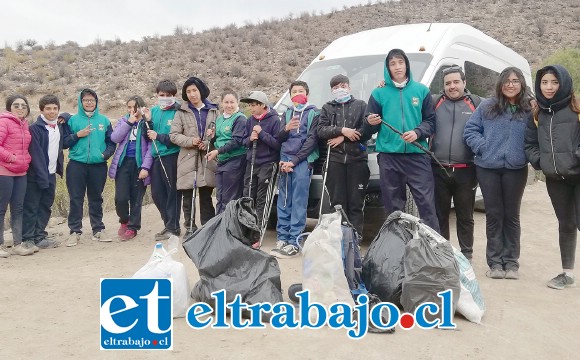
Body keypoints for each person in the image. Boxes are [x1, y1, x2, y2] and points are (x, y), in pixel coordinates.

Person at [464, 67, 531, 280]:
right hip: (488, 168)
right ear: (500, 84)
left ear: (522, 84)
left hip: (516, 168)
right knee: (494, 214)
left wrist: (525, 155)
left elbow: (536, 135)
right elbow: (470, 130)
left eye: (515, 80)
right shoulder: (487, 106)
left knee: (511, 215)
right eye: (507, 81)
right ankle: (494, 263)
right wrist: (483, 147)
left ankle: (511, 263)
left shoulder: (529, 109)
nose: (511, 84)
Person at [363, 49, 438, 232]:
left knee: (427, 206)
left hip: (418, 156)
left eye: (400, 62)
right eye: (393, 63)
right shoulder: (378, 93)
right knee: (393, 209)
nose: (397, 67)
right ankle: (396, 249)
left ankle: (435, 250)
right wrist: (370, 122)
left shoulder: (421, 91)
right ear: (387, 67)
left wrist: (418, 132)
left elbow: (431, 122)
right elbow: (368, 126)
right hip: (389, 158)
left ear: (407, 65)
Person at [525, 65, 580, 289]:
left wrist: (576, 156)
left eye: (554, 82)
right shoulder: (538, 112)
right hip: (555, 179)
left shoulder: (576, 107)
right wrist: (541, 161)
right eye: (544, 82)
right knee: (566, 224)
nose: (549, 87)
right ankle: (567, 274)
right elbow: (529, 143)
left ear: (564, 83)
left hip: (578, 174)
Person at [430, 66, 482, 261]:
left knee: (465, 216)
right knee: (440, 214)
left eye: (456, 82)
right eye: (448, 83)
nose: (452, 86)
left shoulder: (476, 103)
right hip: (438, 169)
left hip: (466, 170)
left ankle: (466, 255)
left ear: (464, 83)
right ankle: (444, 254)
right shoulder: (435, 101)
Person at [317, 74, 371, 237]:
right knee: (337, 203)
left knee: (356, 203)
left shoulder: (361, 105)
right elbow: (321, 130)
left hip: (357, 160)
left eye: (342, 86)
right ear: (331, 90)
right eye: (335, 87)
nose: (339, 89)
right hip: (335, 161)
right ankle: (339, 239)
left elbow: (366, 130)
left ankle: (354, 239)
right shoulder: (327, 108)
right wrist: (341, 130)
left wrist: (343, 136)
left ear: (349, 87)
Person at [272, 81, 319, 259]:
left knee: (299, 200)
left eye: (300, 91)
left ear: (307, 93)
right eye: (294, 92)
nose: (297, 94)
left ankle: (294, 241)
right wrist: (286, 128)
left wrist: (295, 161)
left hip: (302, 161)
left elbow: (311, 141)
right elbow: (279, 137)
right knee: (284, 199)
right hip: (285, 160)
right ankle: (282, 237)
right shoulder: (287, 113)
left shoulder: (314, 113)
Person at [63, 89, 115, 247]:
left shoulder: (104, 121)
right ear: (80, 102)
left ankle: (98, 230)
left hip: (98, 165)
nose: (89, 103)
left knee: (96, 198)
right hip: (76, 165)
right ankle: (74, 231)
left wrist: (104, 155)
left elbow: (111, 142)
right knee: (76, 199)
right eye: (85, 100)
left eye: (92, 100)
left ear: (96, 102)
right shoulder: (72, 121)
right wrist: (77, 135)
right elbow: (64, 143)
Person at [170, 76, 217, 238]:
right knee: (188, 196)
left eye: (194, 90)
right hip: (187, 158)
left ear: (201, 91)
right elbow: (174, 135)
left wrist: (206, 142)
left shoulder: (213, 110)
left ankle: (208, 227)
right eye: (188, 91)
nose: (192, 94)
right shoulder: (181, 112)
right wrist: (191, 141)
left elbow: (217, 132)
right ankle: (190, 227)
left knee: (206, 195)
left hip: (207, 158)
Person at [22, 95, 64, 250]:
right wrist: (42, 178)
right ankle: (27, 238)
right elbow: (37, 155)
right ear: (41, 110)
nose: (52, 112)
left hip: (51, 174)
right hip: (36, 175)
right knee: (32, 206)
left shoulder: (58, 126)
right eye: (48, 109)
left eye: (55, 108)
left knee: (45, 206)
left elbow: (63, 142)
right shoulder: (35, 129)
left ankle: (39, 235)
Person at [239, 90, 281, 244]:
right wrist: (250, 138)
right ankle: (246, 231)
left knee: (262, 199)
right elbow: (244, 142)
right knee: (248, 196)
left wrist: (262, 133)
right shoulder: (250, 120)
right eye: (249, 105)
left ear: (263, 105)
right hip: (252, 163)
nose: (251, 108)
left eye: (254, 105)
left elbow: (277, 144)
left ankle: (258, 235)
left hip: (267, 164)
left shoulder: (275, 120)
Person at [108, 96, 152, 241]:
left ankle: (133, 227)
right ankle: (124, 220)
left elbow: (151, 146)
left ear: (141, 107)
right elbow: (115, 138)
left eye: (135, 107)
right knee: (121, 197)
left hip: (139, 164)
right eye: (129, 107)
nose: (132, 110)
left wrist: (146, 167)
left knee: (136, 198)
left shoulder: (147, 123)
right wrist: (129, 122)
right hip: (123, 162)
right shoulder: (124, 120)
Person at [146, 80, 182, 240]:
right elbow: (146, 134)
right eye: (162, 95)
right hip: (156, 156)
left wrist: (159, 136)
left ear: (174, 96)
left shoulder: (178, 112)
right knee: (157, 194)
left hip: (172, 155)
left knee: (172, 192)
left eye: (169, 95)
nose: (165, 98)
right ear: (157, 95)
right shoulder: (153, 110)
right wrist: (147, 120)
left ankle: (173, 227)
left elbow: (177, 137)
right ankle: (168, 223)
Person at [0, 95, 33, 257]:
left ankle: (17, 244)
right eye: (16, 105)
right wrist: (11, 158)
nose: (20, 108)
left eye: (23, 105)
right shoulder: (3, 121)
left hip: (21, 172)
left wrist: (26, 159)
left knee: (18, 208)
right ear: (9, 107)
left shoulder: (24, 125)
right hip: (4, 171)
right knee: (1, 208)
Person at [206, 89, 247, 215]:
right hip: (222, 161)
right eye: (226, 102)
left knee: (230, 197)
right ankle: (218, 224)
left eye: (232, 102)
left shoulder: (240, 119)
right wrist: (211, 136)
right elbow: (217, 140)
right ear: (222, 103)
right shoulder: (219, 119)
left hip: (235, 160)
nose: (229, 105)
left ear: (237, 102)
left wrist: (218, 151)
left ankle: (229, 227)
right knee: (220, 196)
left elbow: (236, 141)